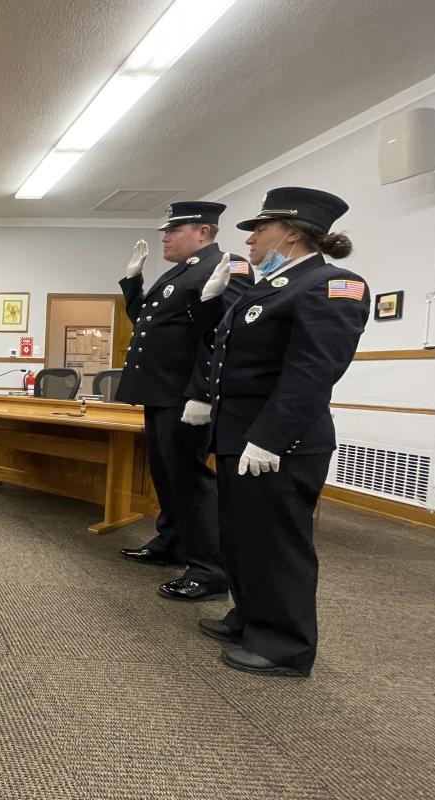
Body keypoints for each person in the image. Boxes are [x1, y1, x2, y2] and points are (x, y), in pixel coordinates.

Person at [197, 187, 368, 676]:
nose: (250, 240)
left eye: (260, 230)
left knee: (277, 542)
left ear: (290, 233)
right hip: (238, 436)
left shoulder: (333, 285)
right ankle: (250, 617)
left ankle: (284, 646)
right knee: (242, 535)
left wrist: (271, 436)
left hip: (280, 443)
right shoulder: (269, 287)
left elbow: (312, 371)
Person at [116, 202, 249, 601]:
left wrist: (204, 392)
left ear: (204, 232)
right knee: (165, 472)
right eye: (165, 232)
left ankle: (209, 569)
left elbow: (224, 335)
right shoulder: (182, 271)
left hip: (185, 394)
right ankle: (171, 543)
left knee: (189, 479)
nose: (165, 238)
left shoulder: (226, 264)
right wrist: (133, 282)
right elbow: (147, 322)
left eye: (174, 230)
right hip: (160, 391)